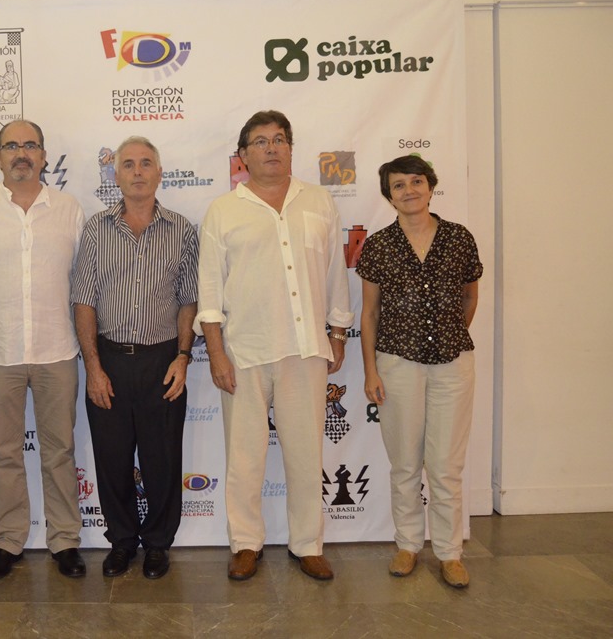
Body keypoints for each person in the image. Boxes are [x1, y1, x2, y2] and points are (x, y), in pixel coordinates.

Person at [196, 110, 353, 582]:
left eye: (279, 139)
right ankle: (245, 544)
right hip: (243, 352)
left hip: (305, 349)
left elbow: (335, 272)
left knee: (306, 455)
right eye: (260, 141)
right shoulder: (223, 210)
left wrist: (338, 332)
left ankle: (308, 544)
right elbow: (210, 290)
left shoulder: (319, 201)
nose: (271, 148)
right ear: (243, 155)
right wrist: (216, 353)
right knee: (244, 458)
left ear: (290, 148)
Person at [0, 119, 87, 580]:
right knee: (5, 452)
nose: (21, 153)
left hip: (56, 348)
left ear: (44, 156)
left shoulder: (69, 209)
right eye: (11, 146)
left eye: (30, 145)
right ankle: (8, 540)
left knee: (60, 451)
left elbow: (79, 279)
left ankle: (65, 540)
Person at [73, 136, 198, 579]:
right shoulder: (96, 229)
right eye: (128, 164)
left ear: (160, 173)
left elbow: (189, 301)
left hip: (162, 360)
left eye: (146, 163)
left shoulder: (182, 230)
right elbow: (84, 301)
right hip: (109, 359)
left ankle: (158, 543)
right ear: (116, 175)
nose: (138, 171)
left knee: (162, 458)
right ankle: (122, 541)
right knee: (112, 459)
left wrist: (182, 357)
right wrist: (93, 367)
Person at [357, 155, 482, 588]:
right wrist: (371, 371)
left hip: (453, 365)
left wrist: (447, 335)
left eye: (416, 181)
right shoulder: (379, 246)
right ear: (388, 196)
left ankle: (449, 553)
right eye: (398, 185)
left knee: (446, 465)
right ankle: (408, 545)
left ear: (430, 186)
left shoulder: (459, 238)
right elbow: (369, 314)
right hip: (397, 364)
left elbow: (470, 297)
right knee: (405, 463)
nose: (409, 190)